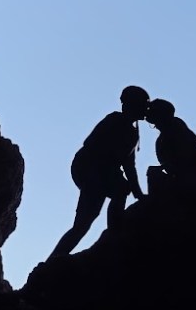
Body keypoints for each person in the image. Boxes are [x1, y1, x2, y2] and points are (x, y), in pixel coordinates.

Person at [47, 86, 150, 259]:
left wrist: (137, 192)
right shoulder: (115, 121)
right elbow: (92, 144)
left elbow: (129, 165)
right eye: (142, 105)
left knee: (91, 216)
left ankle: (113, 230)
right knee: (84, 222)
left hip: (99, 171)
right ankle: (56, 258)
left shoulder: (131, 133)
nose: (145, 109)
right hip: (91, 169)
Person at [145, 98, 196, 196]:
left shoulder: (179, 132)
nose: (156, 126)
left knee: (154, 174)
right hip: (185, 179)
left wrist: (165, 167)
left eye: (156, 121)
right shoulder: (164, 137)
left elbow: (187, 160)